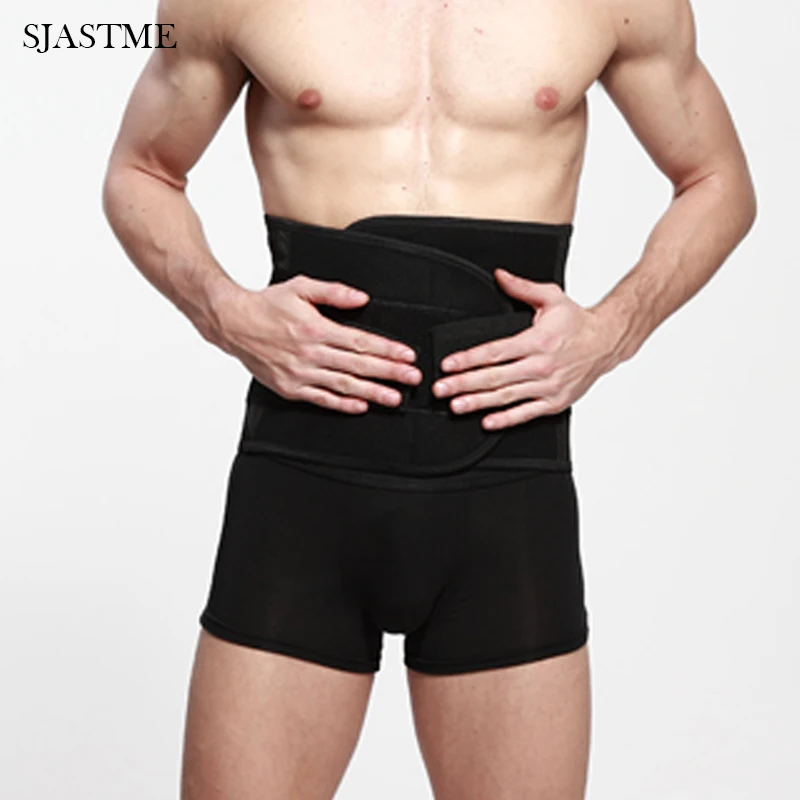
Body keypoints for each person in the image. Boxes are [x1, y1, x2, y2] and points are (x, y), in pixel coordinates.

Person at [101, 0, 756, 796]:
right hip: (303, 485)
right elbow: (141, 169)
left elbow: (718, 180)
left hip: (506, 491)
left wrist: (612, 330)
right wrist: (225, 310)